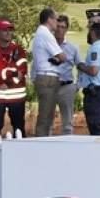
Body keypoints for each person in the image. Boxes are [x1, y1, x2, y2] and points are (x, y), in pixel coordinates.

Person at [31, 8, 68, 137]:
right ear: (49, 19)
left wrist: (56, 59)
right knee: (46, 115)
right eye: (56, 19)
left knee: (48, 114)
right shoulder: (45, 34)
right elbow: (63, 56)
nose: (57, 23)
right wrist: (58, 59)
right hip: (48, 77)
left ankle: (42, 141)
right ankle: (40, 143)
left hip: (45, 76)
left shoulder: (41, 33)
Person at [77, 22, 100, 135]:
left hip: (95, 93)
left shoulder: (95, 49)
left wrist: (81, 67)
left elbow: (93, 71)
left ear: (93, 33)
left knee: (95, 126)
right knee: (98, 125)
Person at [0, 19, 28, 137]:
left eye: (10, 30)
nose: (8, 33)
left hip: (16, 98)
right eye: (4, 30)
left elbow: (21, 72)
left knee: (19, 129)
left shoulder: (19, 50)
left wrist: (9, 78)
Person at [55, 15, 82, 135]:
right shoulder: (46, 45)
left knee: (67, 122)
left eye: (62, 27)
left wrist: (78, 85)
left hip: (66, 86)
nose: (60, 29)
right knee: (47, 121)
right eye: (58, 26)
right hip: (50, 86)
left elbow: (80, 66)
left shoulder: (73, 48)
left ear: (66, 29)